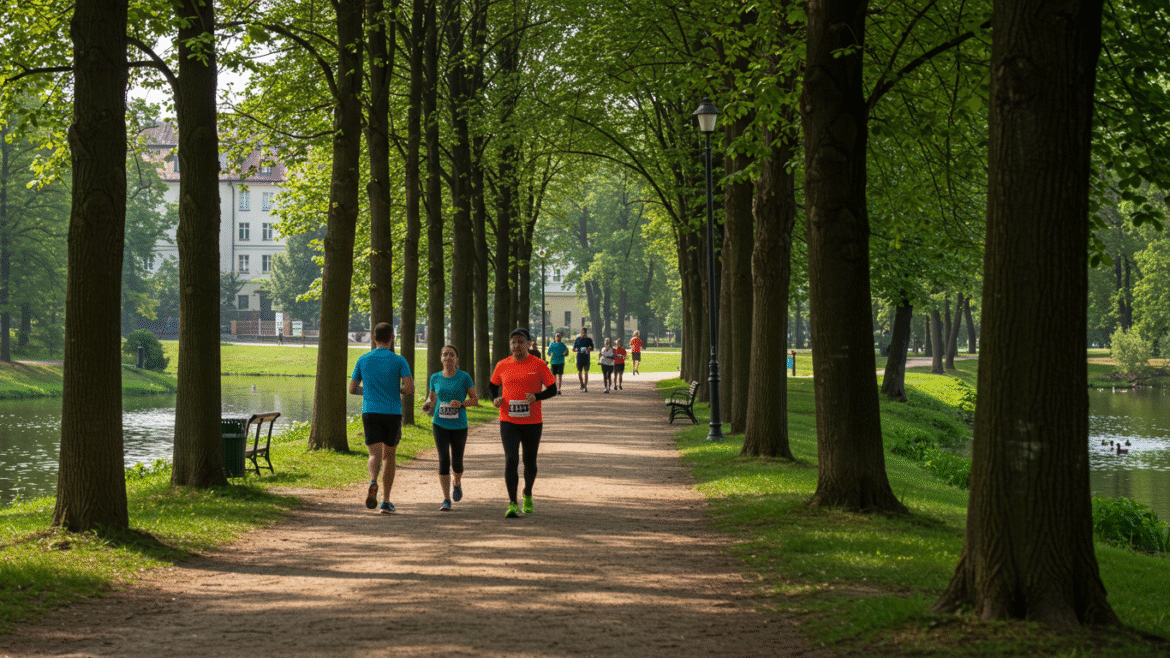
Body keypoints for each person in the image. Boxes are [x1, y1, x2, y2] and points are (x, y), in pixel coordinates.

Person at [490, 328, 557, 518]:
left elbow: (552, 389)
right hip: (508, 420)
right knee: (511, 459)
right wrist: (495, 399)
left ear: (528, 344)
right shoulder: (502, 365)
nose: (516, 345)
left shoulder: (538, 364)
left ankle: (527, 492)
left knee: (530, 462)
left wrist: (536, 396)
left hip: (532, 421)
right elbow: (492, 386)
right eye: (513, 342)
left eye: (520, 342)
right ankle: (512, 503)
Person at [348, 322, 414, 514]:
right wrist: (396, 390)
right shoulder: (399, 360)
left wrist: (370, 391)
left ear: (374, 338)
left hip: (370, 412)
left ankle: (372, 481)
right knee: (389, 456)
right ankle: (386, 501)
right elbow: (409, 388)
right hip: (392, 413)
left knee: (374, 455)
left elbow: (352, 389)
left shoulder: (363, 359)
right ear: (392, 338)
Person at [420, 345, 478, 512]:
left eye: (452, 354)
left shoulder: (464, 377)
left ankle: (457, 483)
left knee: (457, 462)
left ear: (457, 359)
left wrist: (461, 403)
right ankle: (446, 499)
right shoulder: (435, 377)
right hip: (439, 423)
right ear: (441, 358)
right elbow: (431, 397)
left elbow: (475, 399)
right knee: (444, 459)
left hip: (459, 425)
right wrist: (427, 403)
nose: (448, 357)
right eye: (445, 354)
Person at [572, 327, 595, 392]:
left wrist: (589, 348)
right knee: (580, 372)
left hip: (586, 357)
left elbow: (592, 348)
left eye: (584, 333)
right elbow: (574, 348)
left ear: (586, 333)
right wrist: (576, 349)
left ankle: (585, 386)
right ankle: (581, 384)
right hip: (579, 357)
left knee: (586, 372)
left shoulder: (589, 340)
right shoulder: (578, 339)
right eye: (582, 332)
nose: (583, 334)